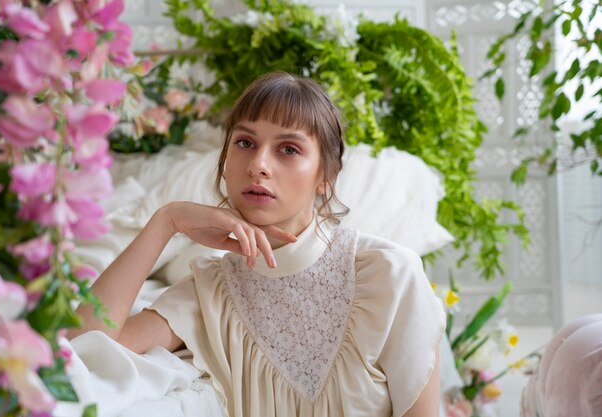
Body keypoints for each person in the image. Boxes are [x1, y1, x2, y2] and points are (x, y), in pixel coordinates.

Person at [69, 71, 445, 417]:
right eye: (245, 143)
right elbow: (84, 349)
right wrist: (166, 221)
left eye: (288, 149)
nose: (258, 165)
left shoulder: (388, 274)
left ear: (326, 176)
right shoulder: (211, 292)